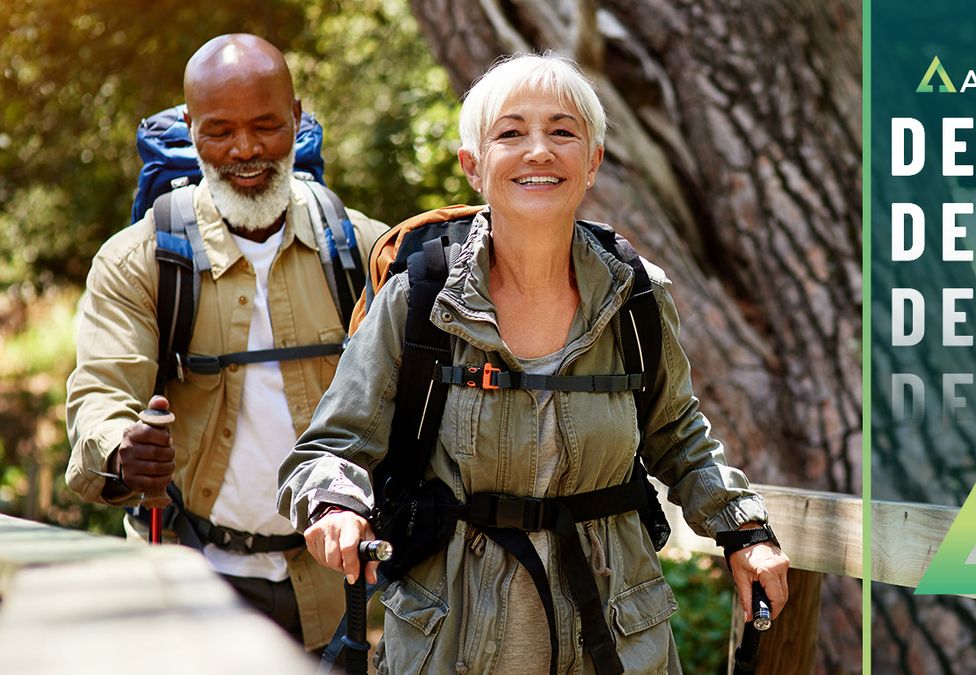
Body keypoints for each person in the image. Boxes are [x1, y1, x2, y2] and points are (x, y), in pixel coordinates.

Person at [278, 54, 789, 674]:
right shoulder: (419, 298)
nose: (539, 151)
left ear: (593, 160)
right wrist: (336, 505)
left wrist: (744, 530)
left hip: (616, 637)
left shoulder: (637, 297)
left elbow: (677, 436)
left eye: (563, 132)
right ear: (474, 165)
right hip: (453, 639)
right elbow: (332, 447)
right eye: (511, 133)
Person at [65, 34, 388, 651]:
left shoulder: (360, 249)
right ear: (191, 129)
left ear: (296, 118)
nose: (245, 150)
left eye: (267, 126)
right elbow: (101, 397)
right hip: (189, 579)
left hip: (333, 587)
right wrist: (120, 452)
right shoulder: (140, 260)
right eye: (219, 131)